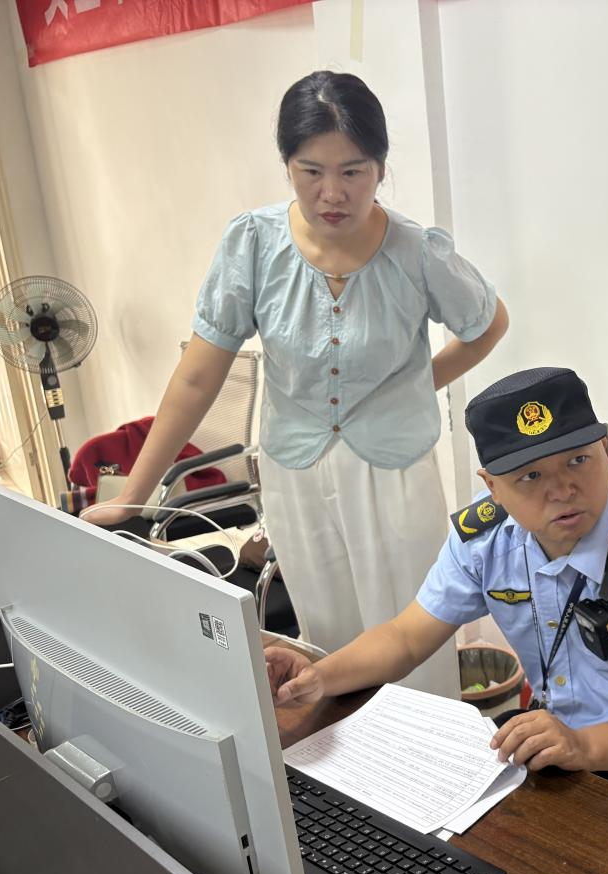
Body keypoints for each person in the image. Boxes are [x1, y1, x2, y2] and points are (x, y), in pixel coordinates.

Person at [86, 72, 508, 697]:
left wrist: (415, 387)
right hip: (296, 474)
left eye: (353, 171)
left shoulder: (416, 252)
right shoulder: (254, 245)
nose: (332, 193)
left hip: (394, 473)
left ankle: (424, 757)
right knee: (324, 649)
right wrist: (133, 497)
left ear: (381, 167)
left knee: (415, 648)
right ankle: (347, 760)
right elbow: (199, 375)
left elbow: (486, 324)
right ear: (287, 165)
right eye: (311, 171)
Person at [264, 366, 608, 808]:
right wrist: (319, 677)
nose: (562, 489)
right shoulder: (488, 537)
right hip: (561, 742)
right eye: (530, 475)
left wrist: (584, 746)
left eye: (578, 460)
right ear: (492, 486)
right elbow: (406, 637)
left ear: (607, 448)